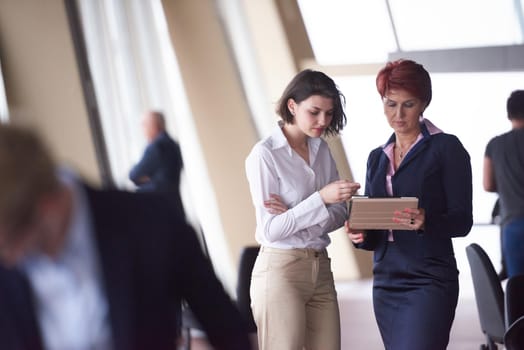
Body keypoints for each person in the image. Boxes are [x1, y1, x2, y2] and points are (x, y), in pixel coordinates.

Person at [0, 123, 251, 350]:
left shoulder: (151, 224)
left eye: (11, 243)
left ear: (48, 207)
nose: (8, 259)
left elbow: (226, 330)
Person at [345, 59, 473, 350]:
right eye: (390, 104)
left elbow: (462, 221)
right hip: (386, 278)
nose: (398, 114)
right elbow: (376, 232)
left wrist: (427, 220)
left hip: (429, 277)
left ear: (424, 103)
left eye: (408, 104)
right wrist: (360, 235)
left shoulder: (446, 148)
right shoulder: (376, 158)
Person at [245, 69, 361, 350]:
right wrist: (320, 199)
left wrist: (295, 213)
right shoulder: (265, 154)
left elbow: (341, 213)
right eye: (315, 112)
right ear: (292, 106)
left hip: (321, 268)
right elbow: (271, 230)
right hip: (280, 271)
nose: (323, 121)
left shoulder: (322, 149)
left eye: (329, 113)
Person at [483, 89, 524, 279]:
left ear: (509, 115)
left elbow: (488, 184)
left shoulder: (495, 145)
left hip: (513, 224)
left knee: (517, 289)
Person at [129, 110, 184, 217]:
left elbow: (134, 175)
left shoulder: (156, 147)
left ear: (154, 126)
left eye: (145, 125)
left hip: (158, 208)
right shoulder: (173, 144)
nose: (143, 130)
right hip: (175, 206)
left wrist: (149, 177)